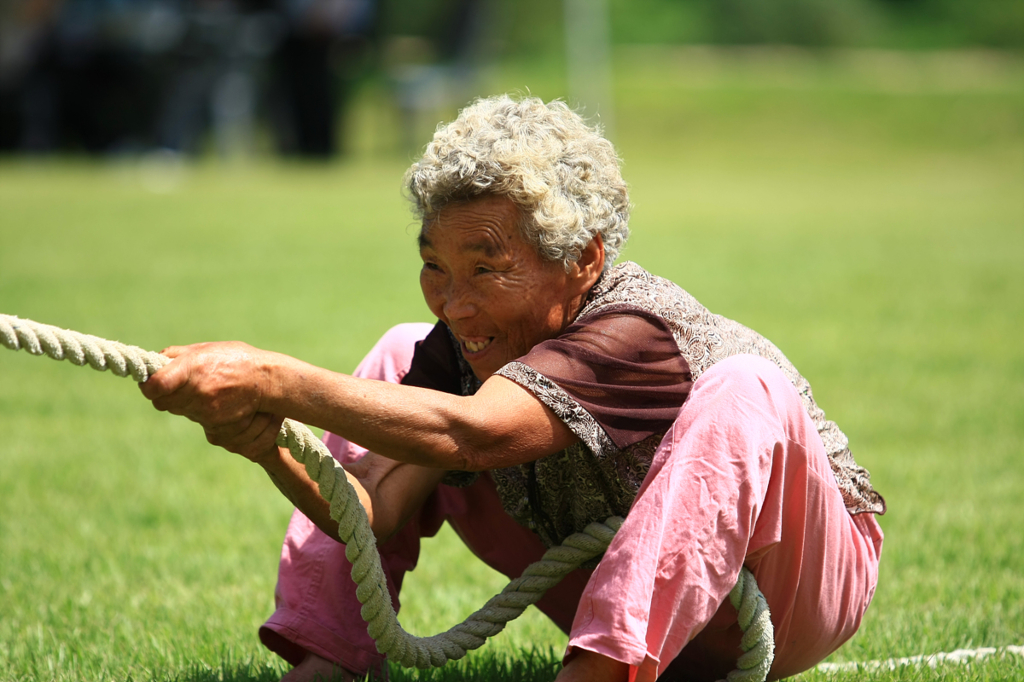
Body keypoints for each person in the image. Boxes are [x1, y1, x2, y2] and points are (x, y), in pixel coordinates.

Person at [139, 94, 886, 682]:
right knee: (401, 355)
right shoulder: (459, 347)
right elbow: (368, 509)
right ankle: (326, 658)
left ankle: (601, 670)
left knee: (742, 387)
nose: (452, 302)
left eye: (486, 268)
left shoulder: (637, 329)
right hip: (603, 566)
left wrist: (272, 376)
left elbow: (477, 433)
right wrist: (267, 443)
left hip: (787, 591)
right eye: (436, 264)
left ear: (584, 260)